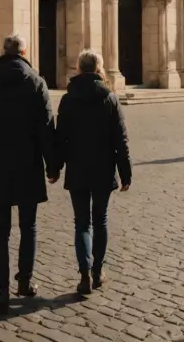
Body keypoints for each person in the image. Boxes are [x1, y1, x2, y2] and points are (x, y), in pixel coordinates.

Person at [0, 34, 57, 313]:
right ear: (24, 52)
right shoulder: (36, 83)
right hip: (28, 165)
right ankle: (25, 282)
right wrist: (53, 165)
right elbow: (45, 128)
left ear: (3, 52)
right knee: (28, 227)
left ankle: (2, 289)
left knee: (0, 230)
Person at [55, 50, 131, 296]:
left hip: (77, 168)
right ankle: (98, 270)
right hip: (103, 168)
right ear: (99, 69)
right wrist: (125, 172)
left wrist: (54, 167)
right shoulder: (110, 98)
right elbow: (120, 138)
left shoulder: (68, 99)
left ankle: (84, 272)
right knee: (101, 219)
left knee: (81, 223)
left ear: (79, 68)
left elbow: (60, 137)